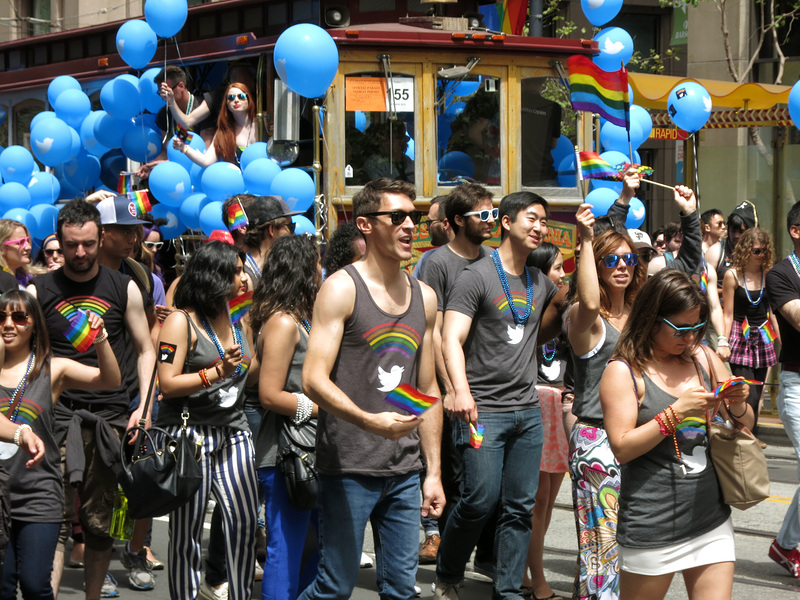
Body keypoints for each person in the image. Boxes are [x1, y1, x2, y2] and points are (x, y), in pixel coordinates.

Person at [297, 178, 443, 600]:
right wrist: (369, 421)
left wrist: (432, 472)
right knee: (334, 587)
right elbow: (313, 379)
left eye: (412, 217)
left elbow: (427, 387)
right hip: (348, 469)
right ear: (364, 224)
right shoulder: (341, 288)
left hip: (404, 471)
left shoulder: (426, 297)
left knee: (401, 589)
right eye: (395, 217)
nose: (409, 226)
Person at [27, 198, 156, 600]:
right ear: (58, 244)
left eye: (87, 243)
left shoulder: (125, 287)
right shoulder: (39, 290)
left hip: (112, 420)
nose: (79, 253)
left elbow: (146, 349)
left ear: (101, 238)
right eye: (70, 245)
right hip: (54, 419)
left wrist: (145, 407)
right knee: (55, 519)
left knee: (102, 524)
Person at [435, 191, 560, 600]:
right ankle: (449, 572)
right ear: (506, 222)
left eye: (545, 220)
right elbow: (449, 338)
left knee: (520, 508)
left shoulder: (541, 284)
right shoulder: (476, 276)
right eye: (532, 218)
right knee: (479, 500)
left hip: (527, 412)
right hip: (482, 411)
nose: (540, 226)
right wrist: (460, 391)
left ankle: (506, 591)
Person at [601, 269, 751, 600]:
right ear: (651, 319)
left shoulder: (703, 358)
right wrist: (676, 413)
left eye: (697, 327)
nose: (690, 337)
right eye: (680, 328)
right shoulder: (623, 371)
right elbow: (622, 447)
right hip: (652, 524)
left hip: (710, 518)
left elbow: (745, 423)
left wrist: (738, 403)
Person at [0, 290, 121, 600]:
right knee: (2, 586)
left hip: (39, 492)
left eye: (18, 317)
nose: (8, 324)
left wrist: (101, 339)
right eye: (1, 317)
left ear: (35, 326)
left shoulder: (53, 369)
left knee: (34, 584)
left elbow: (110, 380)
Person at [156, 241, 258, 600]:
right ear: (215, 275)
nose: (245, 277)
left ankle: (241, 594)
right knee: (187, 531)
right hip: (189, 436)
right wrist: (215, 372)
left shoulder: (237, 318)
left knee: (243, 522)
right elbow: (166, 384)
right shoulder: (179, 321)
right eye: (237, 270)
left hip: (234, 433)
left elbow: (252, 371)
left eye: (245, 270)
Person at [566, 204, 646, 600]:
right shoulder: (585, 319)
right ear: (595, 267)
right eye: (610, 259)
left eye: (629, 259)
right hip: (597, 441)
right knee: (601, 544)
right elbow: (591, 303)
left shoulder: (642, 317)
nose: (622, 266)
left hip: (640, 436)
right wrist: (584, 238)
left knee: (634, 541)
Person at [415, 183, 494, 567]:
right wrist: (449, 389)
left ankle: (481, 556)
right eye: (484, 214)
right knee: (451, 472)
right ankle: (440, 545)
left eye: (493, 213)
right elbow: (434, 334)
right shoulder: (436, 263)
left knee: (484, 484)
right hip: (451, 390)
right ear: (459, 221)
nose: (491, 220)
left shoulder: (494, 259)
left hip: (489, 389)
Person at [251, 235, 321, 600]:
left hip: (310, 449)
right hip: (285, 454)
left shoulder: (304, 320)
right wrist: (320, 407)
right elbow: (269, 394)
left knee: (322, 545)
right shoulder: (283, 323)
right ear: (304, 271)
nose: (322, 271)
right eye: (316, 264)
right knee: (287, 548)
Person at [523, 242, 569, 600]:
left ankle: (527, 568)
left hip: (561, 406)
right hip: (535, 403)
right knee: (537, 500)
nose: (563, 274)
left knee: (549, 499)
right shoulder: (525, 309)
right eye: (557, 268)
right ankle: (535, 576)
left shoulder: (566, 312)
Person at [766, 199, 800, 577]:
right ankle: (787, 544)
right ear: (796, 231)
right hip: (796, 383)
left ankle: (784, 544)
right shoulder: (781, 275)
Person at [722, 227, 778, 436]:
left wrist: (785, 342)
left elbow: (773, 313)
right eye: (756, 251)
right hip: (740, 335)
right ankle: (744, 435)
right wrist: (722, 341)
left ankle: (748, 437)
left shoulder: (770, 275)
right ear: (746, 250)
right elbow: (727, 314)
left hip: (763, 336)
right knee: (748, 394)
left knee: (758, 394)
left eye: (764, 251)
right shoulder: (732, 276)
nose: (760, 255)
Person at [135, 66, 217, 178]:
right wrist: (151, 166)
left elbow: (204, 150)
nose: (164, 97)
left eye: (167, 91)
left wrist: (166, 162)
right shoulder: (164, 114)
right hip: (177, 175)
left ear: (181, 86)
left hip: (200, 173)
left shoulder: (201, 108)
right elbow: (166, 150)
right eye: (161, 92)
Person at [173, 82, 257, 168]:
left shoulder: (263, 124)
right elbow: (206, 161)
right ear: (227, 105)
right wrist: (184, 148)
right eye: (231, 97)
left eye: (241, 96)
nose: (236, 100)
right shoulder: (224, 133)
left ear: (249, 100)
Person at [412, 195, 452, 282]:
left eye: (430, 222)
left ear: (445, 223)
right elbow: (415, 290)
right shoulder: (427, 257)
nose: (426, 228)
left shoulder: (479, 259)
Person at [0, 220, 41, 288]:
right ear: (1, 248)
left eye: (27, 241)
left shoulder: (34, 279)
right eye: (21, 242)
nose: (29, 247)